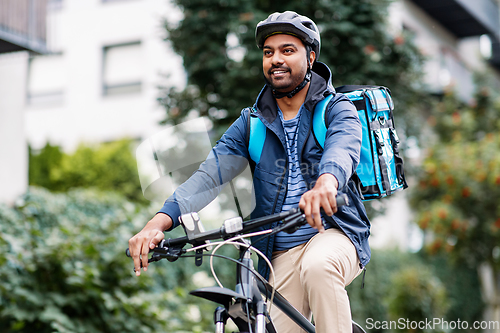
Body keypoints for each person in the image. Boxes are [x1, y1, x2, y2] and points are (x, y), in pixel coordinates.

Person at [128, 11, 371, 333]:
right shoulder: (251, 123)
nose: (275, 59)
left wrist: (327, 182)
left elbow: (343, 149)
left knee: (319, 266)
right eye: (268, 52)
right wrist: (156, 223)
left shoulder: (336, 109)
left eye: (287, 50)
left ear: (310, 57)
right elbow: (208, 176)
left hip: (335, 233)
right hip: (279, 249)